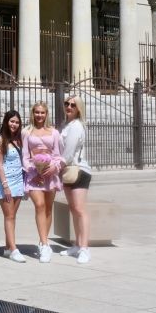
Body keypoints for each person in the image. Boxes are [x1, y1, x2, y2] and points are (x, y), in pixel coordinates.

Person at [22, 101, 63, 263]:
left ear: (47, 114)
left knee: (48, 209)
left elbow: (59, 155)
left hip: (50, 174)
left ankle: (42, 240)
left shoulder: (54, 132)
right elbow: (24, 156)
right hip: (34, 175)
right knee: (39, 205)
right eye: (37, 112)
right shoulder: (26, 132)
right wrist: (34, 172)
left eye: (42, 112)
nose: (39, 115)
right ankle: (45, 245)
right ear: (33, 113)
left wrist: (54, 167)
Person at [59, 95, 93, 264]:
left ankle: (85, 248)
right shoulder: (66, 125)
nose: (69, 107)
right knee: (73, 209)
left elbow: (69, 151)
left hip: (78, 170)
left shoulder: (77, 126)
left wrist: (57, 166)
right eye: (67, 104)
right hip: (68, 170)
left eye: (73, 105)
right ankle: (77, 244)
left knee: (80, 209)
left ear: (79, 108)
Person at [0, 110, 26, 263]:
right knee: (9, 216)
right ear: (6, 122)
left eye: (17, 122)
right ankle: (14, 250)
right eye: (11, 121)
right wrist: (5, 186)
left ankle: (7, 247)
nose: (14, 124)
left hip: (19, 180)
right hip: (4, 181)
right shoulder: (0, 140)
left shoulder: (20, 139)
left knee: (13, 215)